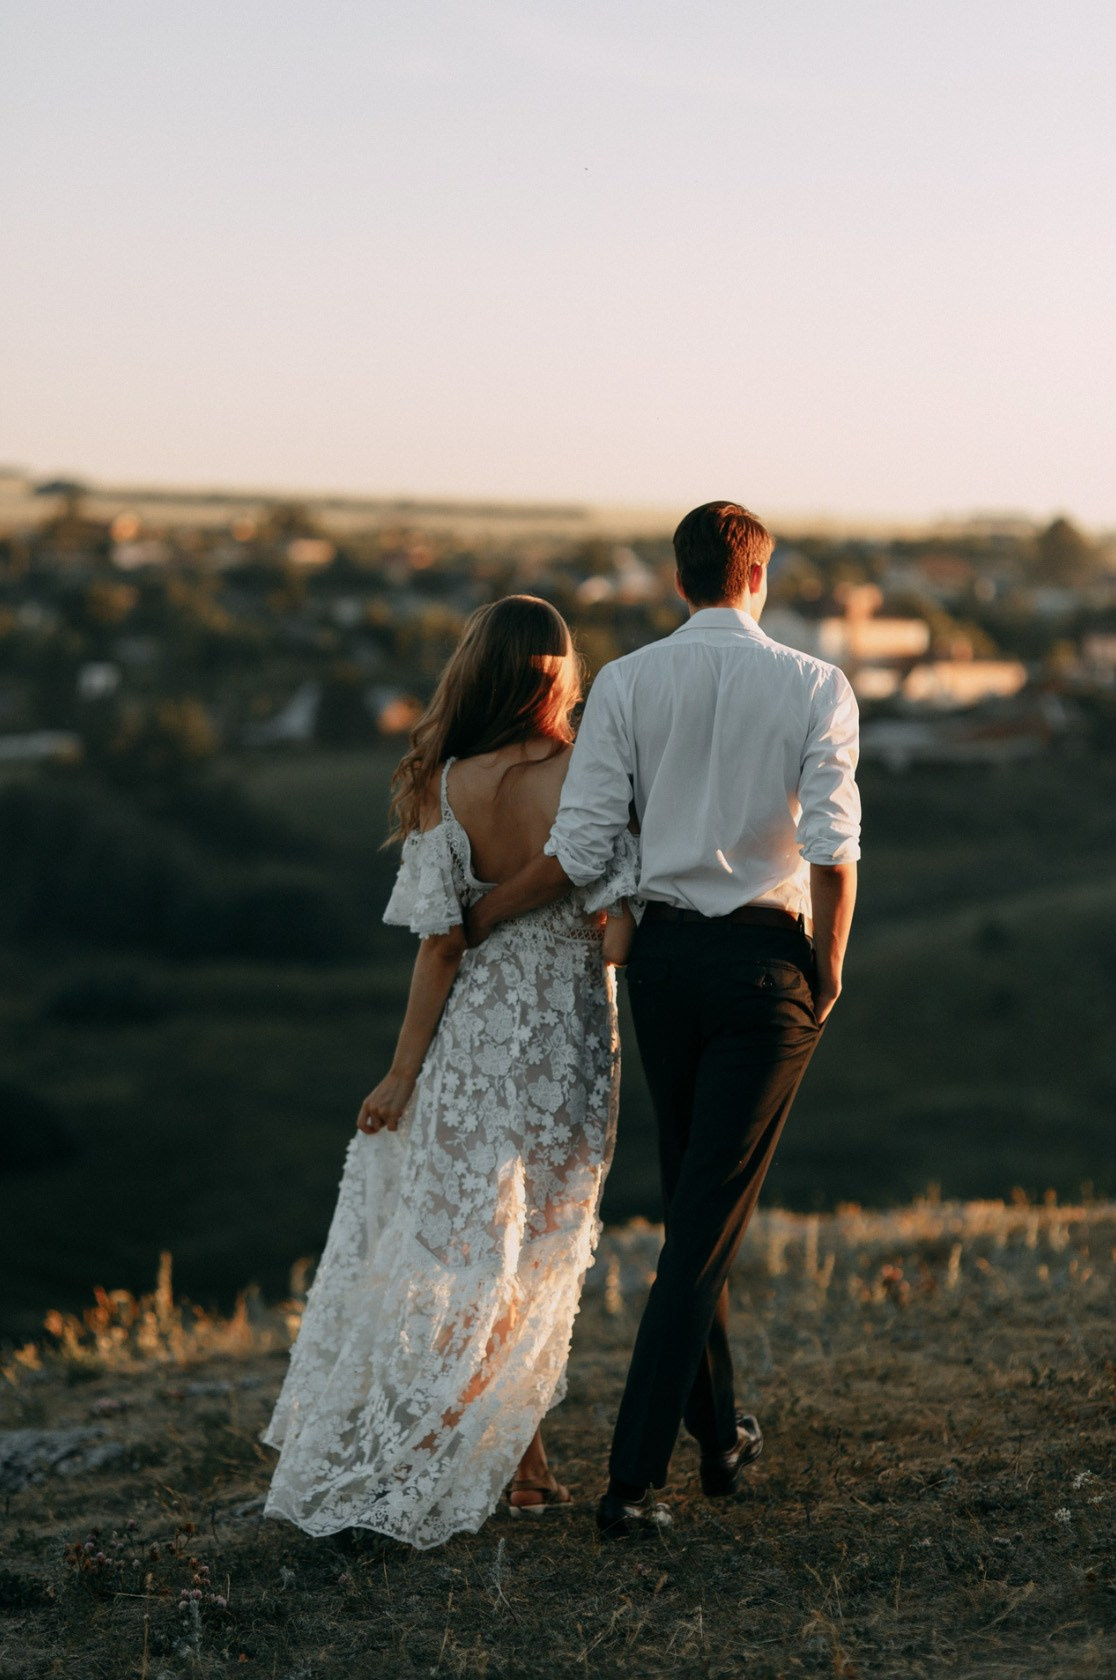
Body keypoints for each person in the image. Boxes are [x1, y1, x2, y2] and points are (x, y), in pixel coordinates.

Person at [466, 502, 861, 1538]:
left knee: (698, 1204)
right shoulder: (818, 686)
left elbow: (589, 840)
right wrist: (826, 968)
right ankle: (633, 1481)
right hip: (767, 967)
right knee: (701, 1226)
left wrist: (546, 908)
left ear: (679, 582)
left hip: (665, 964)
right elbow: (832, 845)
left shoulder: (630, 684)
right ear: (758, 574)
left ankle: (721, 1438)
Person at [262, 595, 638, 1549]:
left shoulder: (448, 780)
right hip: (569, 1036)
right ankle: (520, 1463)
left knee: (477, 1253)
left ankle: (521, 1462)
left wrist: (400, 1074)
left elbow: (439, 947)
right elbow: (620, 923)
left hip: (475, 1038)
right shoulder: (590, 769)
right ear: (558, 674)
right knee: (543, 1249)